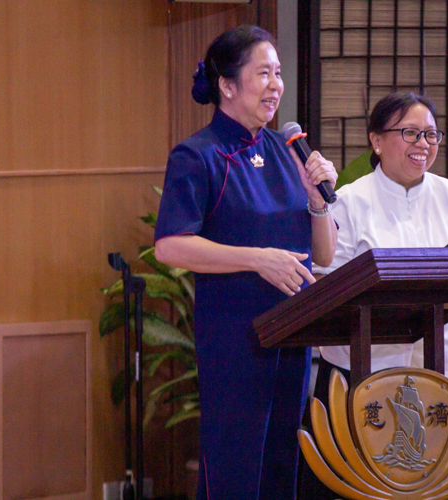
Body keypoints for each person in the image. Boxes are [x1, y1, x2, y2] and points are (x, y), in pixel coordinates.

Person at [153, 25, 338, 500]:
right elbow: (170, 246)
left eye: (278, 74)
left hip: (293, 334)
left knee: (282, 467)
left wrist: (319, 201)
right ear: (228, 85)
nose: (276, 84)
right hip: (235, 337)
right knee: (235, 470)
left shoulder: (284, 149)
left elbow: (324, 254)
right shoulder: (198, 155)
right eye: (263, 73)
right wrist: (256, 260)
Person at [299, 92, 448, 500]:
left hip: (445, 382)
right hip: (361, 389)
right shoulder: (349, 204)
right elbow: (323, 295)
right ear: (376, 140)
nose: (423, 144)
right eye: (410, 133)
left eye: (431, 134)